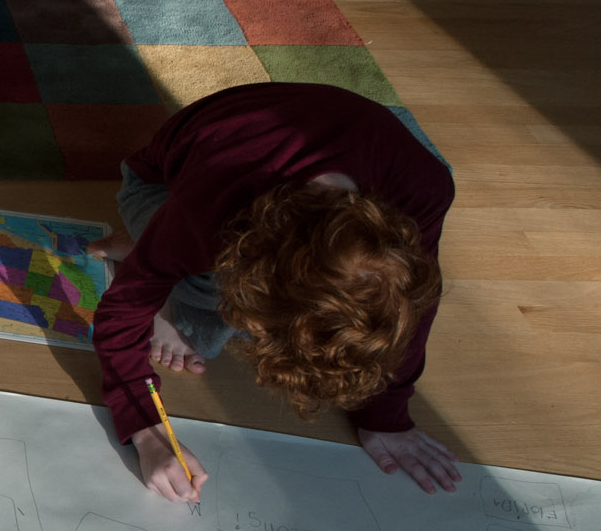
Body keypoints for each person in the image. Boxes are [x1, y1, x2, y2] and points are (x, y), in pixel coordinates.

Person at [88, 81, 459, 504]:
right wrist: (147, 433)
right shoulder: (214, 207)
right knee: (210, 330)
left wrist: (386, 417)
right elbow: (122, 312)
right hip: (158, 187)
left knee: (231, 328)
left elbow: (416, 314)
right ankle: (150, 251)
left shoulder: (424, 191)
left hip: (237, 198)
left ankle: (156, 257)